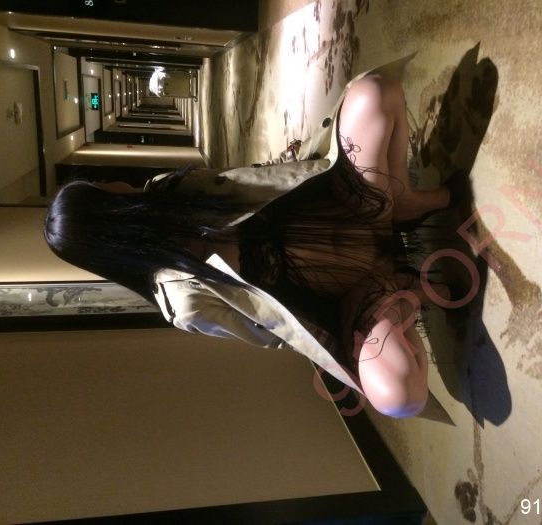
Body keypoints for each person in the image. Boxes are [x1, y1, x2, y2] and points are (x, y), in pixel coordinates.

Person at [44, 56, 463, 418]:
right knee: (399, 397)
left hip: (352, 205)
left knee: (374, 91)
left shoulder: (167, 189)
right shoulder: (182, 302)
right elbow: (275, 332)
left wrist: (297, 157)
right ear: (109, 220)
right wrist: (355, 338)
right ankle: (406, 295)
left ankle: (406, 203)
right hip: (353, 291)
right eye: (101, 188)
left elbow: (253, 179)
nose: (112, 183)